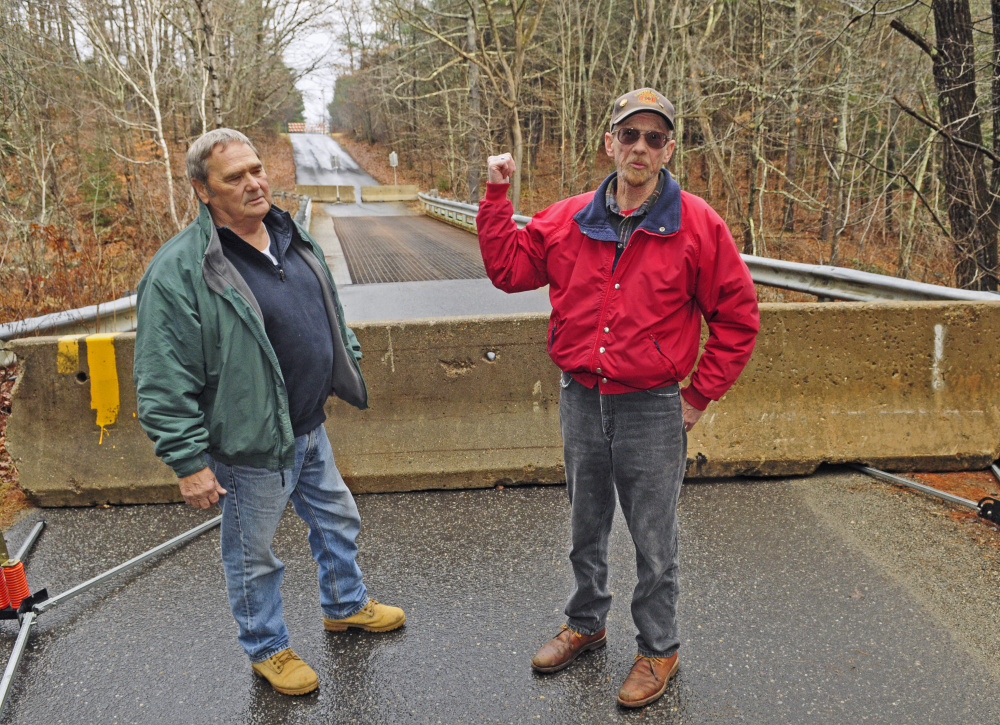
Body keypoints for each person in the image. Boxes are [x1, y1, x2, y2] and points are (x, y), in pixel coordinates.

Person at [477, 88, 759, 708]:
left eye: (654, 138)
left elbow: (738, 319)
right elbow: (509, 271)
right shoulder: (568, 217)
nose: (639, 148)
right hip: (581, 396)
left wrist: (697, 397)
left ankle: (659, 649)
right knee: (586, 526)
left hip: (653, 407)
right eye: (629, 135)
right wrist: (498, 198)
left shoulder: (698, 226)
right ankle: (585, 623)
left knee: (654, 541)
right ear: (609, 142)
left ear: (668, 150)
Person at [134, 128, 405, 696]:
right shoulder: (182, 270)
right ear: (202, 190)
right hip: (248, 446)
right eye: (235, 176)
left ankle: (344, 605)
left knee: (337, 522)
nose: (255, 182)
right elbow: (162, 377)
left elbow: (327, 306)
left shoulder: (288, 232)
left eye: (256, 169)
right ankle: (267, 648)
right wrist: (188, 462)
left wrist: (344, 358)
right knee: (253, 556)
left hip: (308, 429)